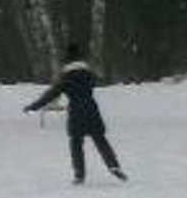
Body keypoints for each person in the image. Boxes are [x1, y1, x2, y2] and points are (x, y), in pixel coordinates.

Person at [25, 41, 126, 183]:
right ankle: (114, 166)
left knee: (76, 143)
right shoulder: (89, 75)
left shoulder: (66, 78)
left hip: (76, 112)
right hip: (92, 109)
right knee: (100, 139)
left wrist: (33, 106)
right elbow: (97, 80)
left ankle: (79, 174)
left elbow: (51, 95)